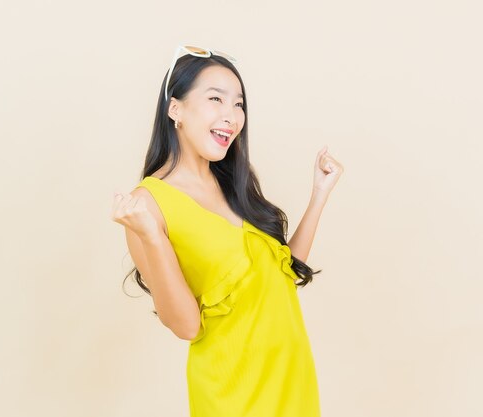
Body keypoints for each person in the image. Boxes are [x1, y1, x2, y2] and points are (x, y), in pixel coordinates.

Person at [111, 45, 343, 416]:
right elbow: (185, 326)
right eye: (215, 98)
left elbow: (279, 272)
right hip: (233, 393)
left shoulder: (234, 184)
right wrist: (151, 237)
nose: (231, 116)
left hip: (292, 381)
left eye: (238, 104)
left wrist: (319, 195)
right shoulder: (148, 205)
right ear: (176, 109)